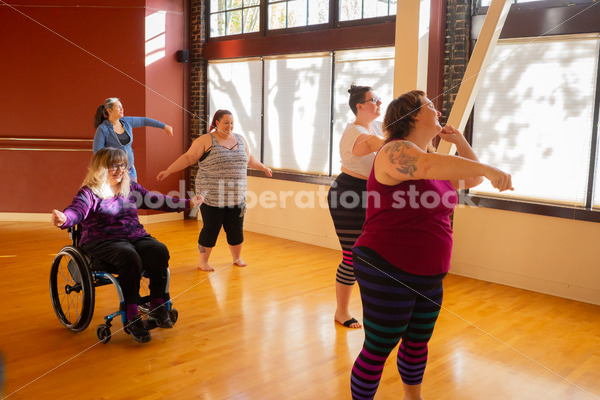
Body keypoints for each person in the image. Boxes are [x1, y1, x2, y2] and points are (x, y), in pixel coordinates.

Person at [350, 90, 513, 400]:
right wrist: (491, 169)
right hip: (386, 265)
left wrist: (461, 142)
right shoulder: (393, 152)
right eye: (431, 106)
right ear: (413, 115)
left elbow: (471, 180)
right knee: (379, 347)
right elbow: (423, 166)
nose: (439, 111)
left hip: (430, 271)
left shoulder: (438, 164)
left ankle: (414, 398)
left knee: (416, 343)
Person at [51, 148, 203, 343]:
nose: (120, 170)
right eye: (113, 166)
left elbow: (155, 200)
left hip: (133, 235)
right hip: (102, 240)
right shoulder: (90, 192)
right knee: (129, 256)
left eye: (123, 165)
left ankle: (157, 306)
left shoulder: (130, 188)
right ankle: (131, 315)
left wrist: (187, 203)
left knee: (159, 250)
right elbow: (76, 211)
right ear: (100, 168)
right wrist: (64, 219)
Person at [157, 109, 272, 271]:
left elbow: (250, 159)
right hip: (211, 198)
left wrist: (263, 167)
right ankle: (203, 261)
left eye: (232, 123)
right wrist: (168, 171)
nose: (229, 126)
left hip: (236, 198)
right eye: (226, 123)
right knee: (210, 230)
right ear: (216, 123)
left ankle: (237, 258)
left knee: (236, 230)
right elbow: (188, 158)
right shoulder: (205, 140)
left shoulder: (240, 139)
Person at [328, 83, 385, 330]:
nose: (379, 103)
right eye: (374, 100)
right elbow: (376, 144)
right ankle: (342, 312)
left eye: (379, 99)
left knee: (370, 255)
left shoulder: (374, 127)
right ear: (359, 106)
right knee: (352, 256)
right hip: (348, 194)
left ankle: (374, 308)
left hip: (368, 194)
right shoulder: (356, 132)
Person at [93, 97, 174, 181]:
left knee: (134, 193)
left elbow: (144, 121)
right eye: (118, 107)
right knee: (118, 194)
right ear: (109, 110)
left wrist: (164, 126)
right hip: (114, 172)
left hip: (130, 169)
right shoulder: (103, 129)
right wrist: (111, 163)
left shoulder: (126, 122)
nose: (121, 109)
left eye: (121, 106)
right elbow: (97, 151)